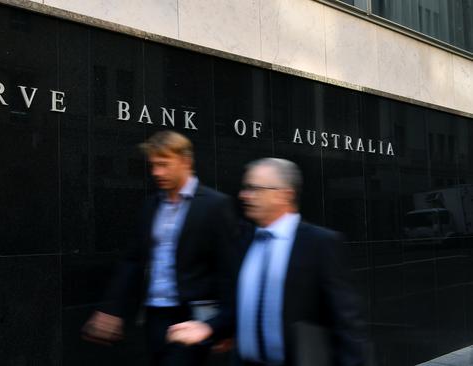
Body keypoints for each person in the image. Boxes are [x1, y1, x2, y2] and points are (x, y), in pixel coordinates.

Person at [167, 158, 365, 366]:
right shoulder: (242, 241)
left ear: (284, 194)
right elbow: (240, 307)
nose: (244, 195)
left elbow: (346, 323)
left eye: (254, 188)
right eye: (245, 188)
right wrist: (209, 327)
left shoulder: (320, 243)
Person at [82, 130, 238, 366]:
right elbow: (132, 261)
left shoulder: (216, 206)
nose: (157, 172)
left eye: (164, 165)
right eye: (153, 165)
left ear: (186, 161)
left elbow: (229, 269)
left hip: (194, 317)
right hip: (155, 315)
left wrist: (225, 326)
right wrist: (111, 309)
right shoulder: (151, 206)